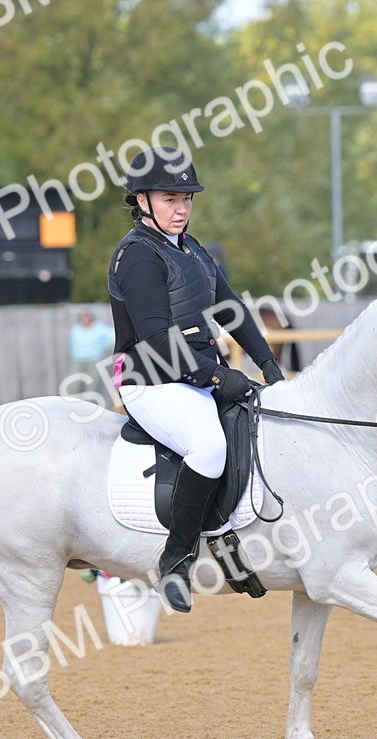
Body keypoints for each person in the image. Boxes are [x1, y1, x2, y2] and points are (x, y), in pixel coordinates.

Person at [108, 148, 285, 613]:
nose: (182, 207)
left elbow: (232, 310)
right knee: (208, 446)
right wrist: (220, 376)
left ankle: (227, 542)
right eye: (170, 198)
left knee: (254, 433)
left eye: (187, 198)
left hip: (198, 377)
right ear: (142, 200)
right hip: (150, 381)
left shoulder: (193, 250)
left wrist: (269, 367)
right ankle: (176, 560)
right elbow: (156, 339)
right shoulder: (136, 257)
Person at [67, 310, 115, 408]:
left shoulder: (99, 328)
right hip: (77, 361)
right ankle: (72, 408)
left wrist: (103, 346)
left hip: (94, 360)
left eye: (87, 317)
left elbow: (113, 336)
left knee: (92, 387)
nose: (86, 320)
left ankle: (91, 410)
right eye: (83, 317)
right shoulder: (75, 329)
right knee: (73, 386)